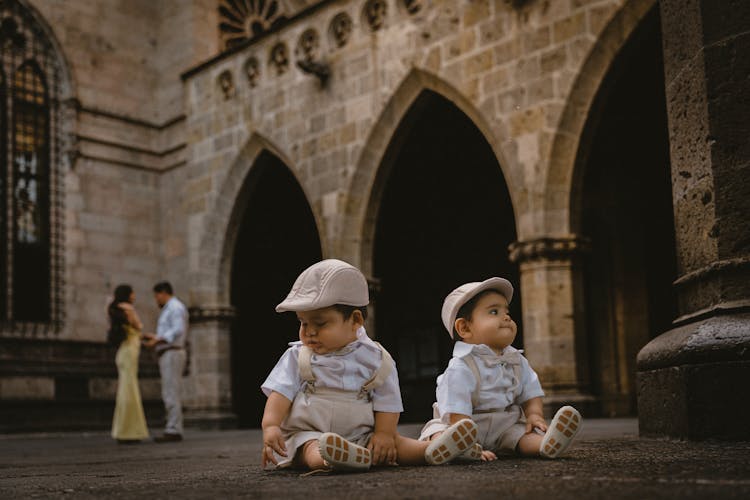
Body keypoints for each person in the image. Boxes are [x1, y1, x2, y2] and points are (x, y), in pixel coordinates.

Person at [261, 259, 478, 472]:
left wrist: (383, 434)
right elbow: (280, 394)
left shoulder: (376, 358)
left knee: (395, 443)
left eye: (320, 323)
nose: (309, 331)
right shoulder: (297, 356)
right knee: (310, 450)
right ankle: (331, 458)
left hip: (362, 435)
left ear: (355, 321)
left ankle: (430, 451)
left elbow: (388, 401)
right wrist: (271, 425)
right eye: (303, 322)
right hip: (309, 433)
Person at [419, 278, 582, 461]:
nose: (506, 317)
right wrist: (468, 437)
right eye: (494, 312)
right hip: (464, 423)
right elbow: (457, 410)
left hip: (505, 424)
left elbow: (530, 391)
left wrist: (534, 415)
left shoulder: (517, 360)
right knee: (437, 431)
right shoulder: (461, 366)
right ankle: (459, 447)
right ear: (464, 328)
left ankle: (545, 444)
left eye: (507, 311)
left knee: (524, 434)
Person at [143, 281, 188, 443]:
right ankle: (172, 426)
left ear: (163, 293)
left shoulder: (175, 307)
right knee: (169, 390)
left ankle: (174, 429)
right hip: (168, 351)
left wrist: (158, 340)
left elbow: (178, 329)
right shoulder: (171, 308)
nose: (157, 300)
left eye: (157, 296)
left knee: (171, 391)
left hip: (172, 352)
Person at [109, 284, 150, 443]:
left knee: (125, 391)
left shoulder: (116, 308)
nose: (134, 295)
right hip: (129, 353)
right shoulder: (128, 308)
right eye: (132, 292)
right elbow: (138, 326)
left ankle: (123, 431)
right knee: (130, 391)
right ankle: (129, 432)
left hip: (124, 352)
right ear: (127, 294)